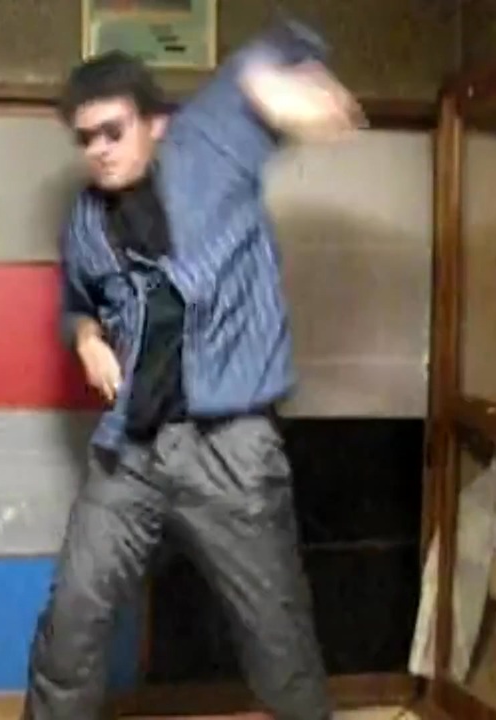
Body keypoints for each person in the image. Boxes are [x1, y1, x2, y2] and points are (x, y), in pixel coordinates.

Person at [24, 19, 365, 720]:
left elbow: (281, 47)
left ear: (156, 123)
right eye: (85, 139)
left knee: (278, 637)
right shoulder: (85, 222)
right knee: (72, 619)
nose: (99, 150)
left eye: (113, 131)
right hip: (130, 452)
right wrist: (85, 337)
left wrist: (285, 80)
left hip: (230, 448)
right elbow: (76, 303)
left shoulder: (210, 144)